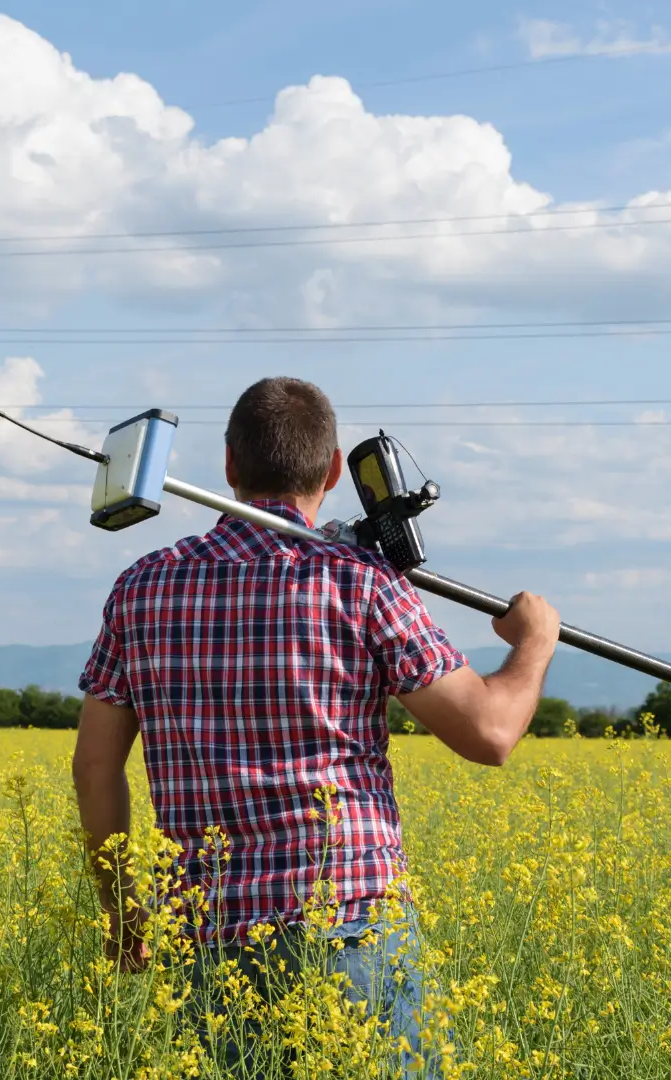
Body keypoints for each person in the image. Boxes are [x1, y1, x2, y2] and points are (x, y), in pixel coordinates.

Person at [71, 376, 560, 1072]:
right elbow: (490, 733)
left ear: (229, 465)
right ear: (333, 471)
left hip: (206, 937)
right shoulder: (362, 581)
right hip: (348, 927)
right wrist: (535, 642)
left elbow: (94, 767)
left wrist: (123, 913)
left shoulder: (141, 587)